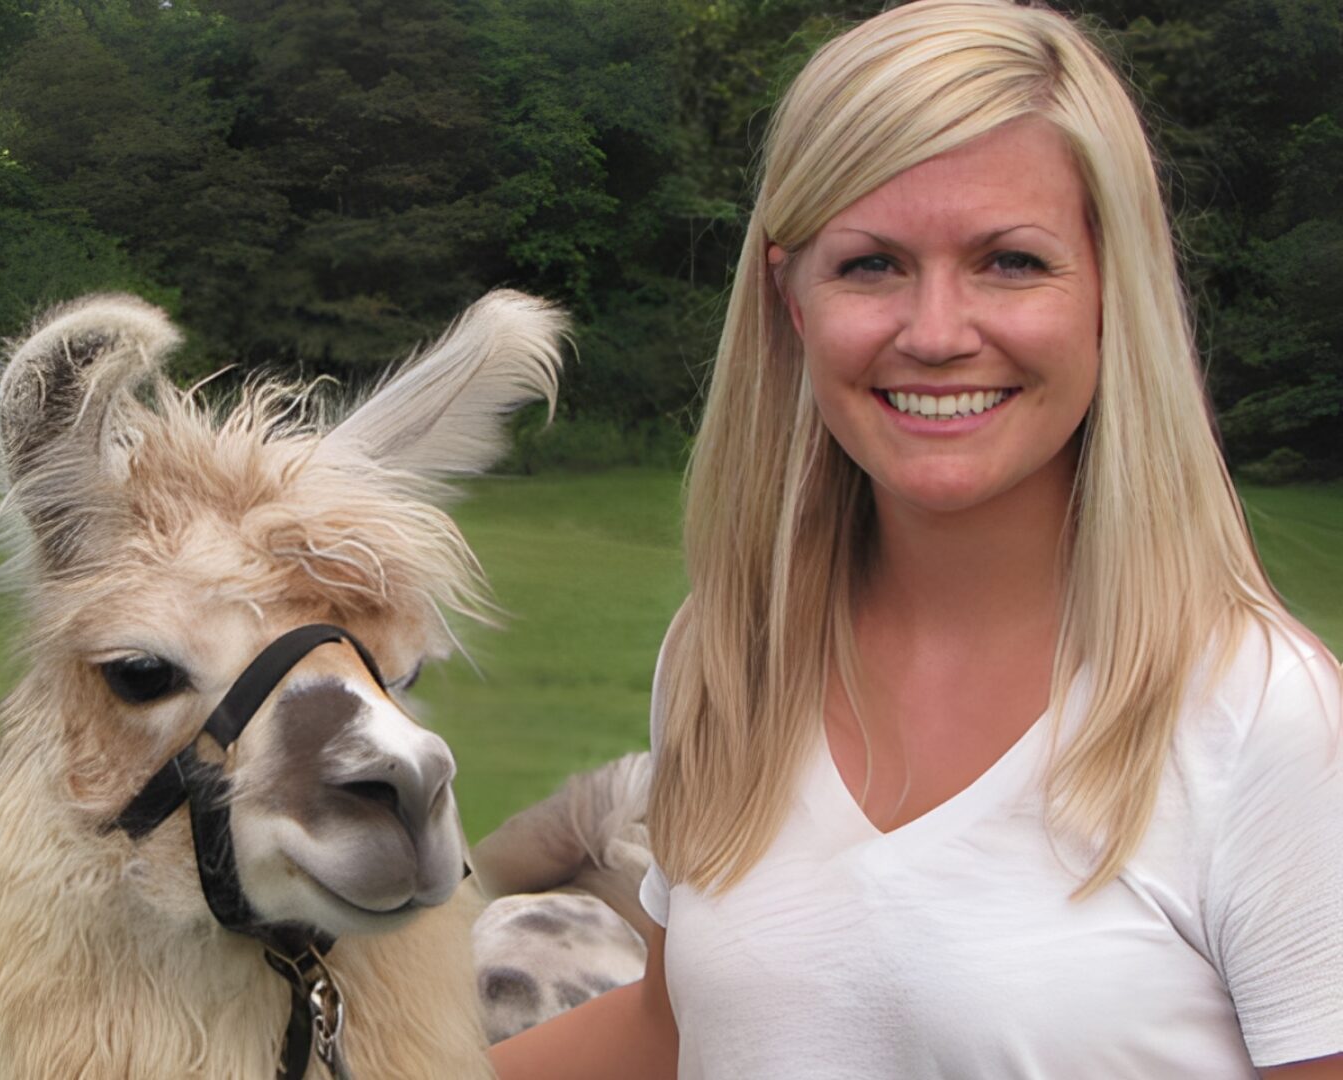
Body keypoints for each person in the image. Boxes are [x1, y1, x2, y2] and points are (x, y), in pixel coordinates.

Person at [490, 0, 1343, 1075]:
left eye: (1012, 263)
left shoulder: (1264, 722)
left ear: (1108, 292)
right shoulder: (729, 656)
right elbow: (674, 1031)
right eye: (872, 265)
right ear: (792, 299)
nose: (937, 334)